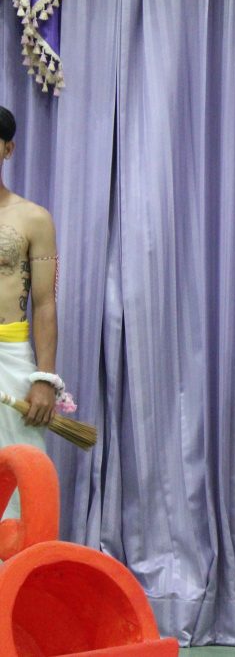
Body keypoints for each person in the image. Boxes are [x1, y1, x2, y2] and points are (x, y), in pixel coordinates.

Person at [0, 105, 60, 516]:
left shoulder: (34, 219)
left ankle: (16, 558)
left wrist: (45, 379)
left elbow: (44, 303)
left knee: (19, 477)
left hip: (11, 358)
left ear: (8, 149)